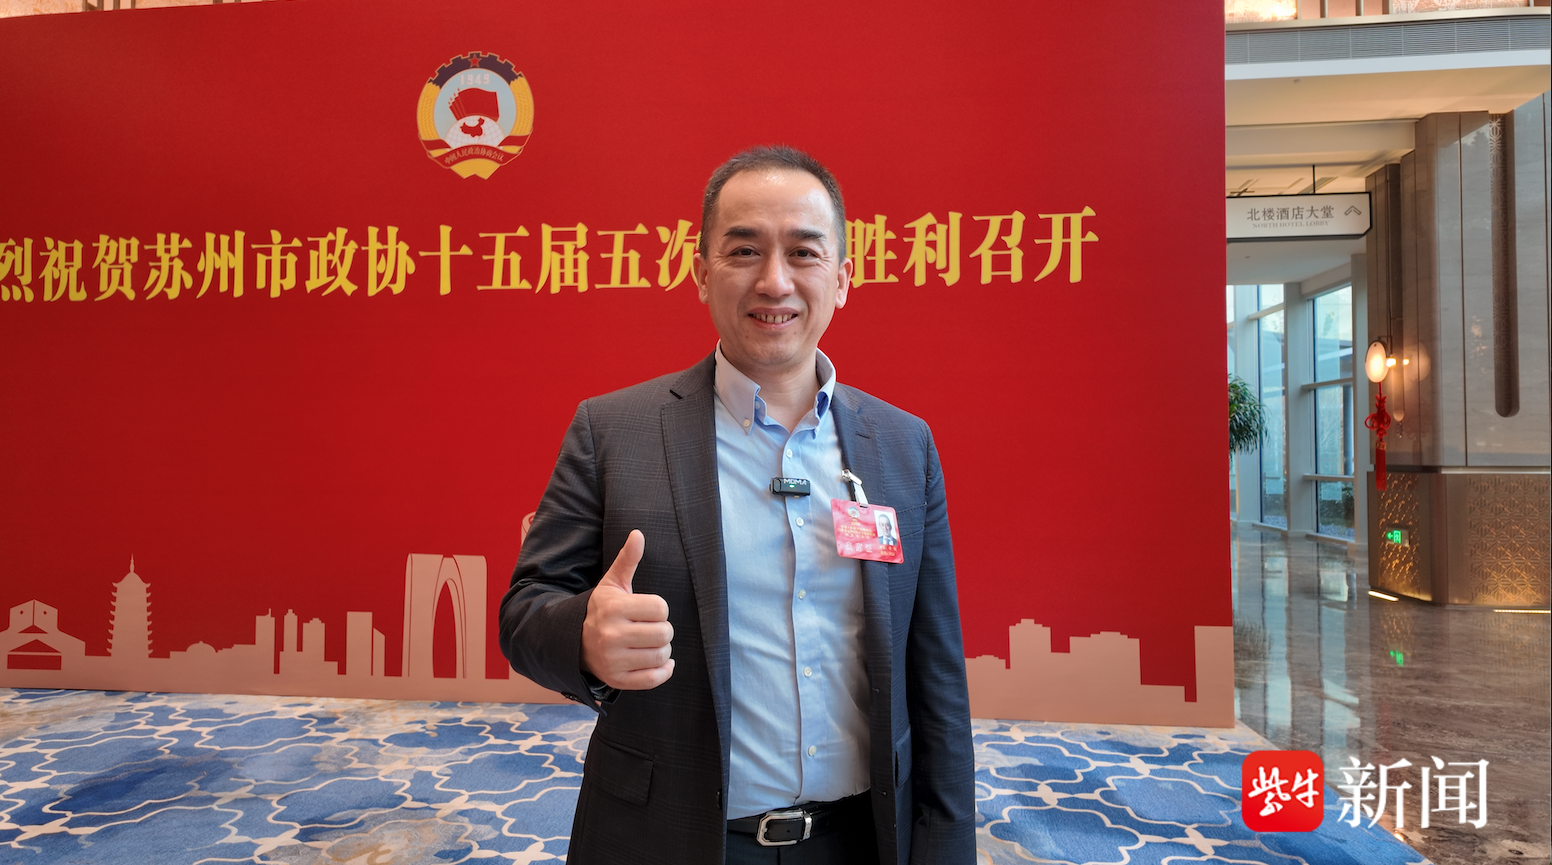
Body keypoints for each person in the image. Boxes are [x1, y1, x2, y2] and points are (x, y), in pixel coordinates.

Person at [498, 145, 973, 865]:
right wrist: (585, 642)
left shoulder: (903, 446)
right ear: (700, 272)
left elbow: (936, 680)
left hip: (862, 841)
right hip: (670, 840)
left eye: (803, 252)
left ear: (843, 278)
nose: (774, 280)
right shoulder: (614, 431)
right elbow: (526, 610)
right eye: (744, 249)